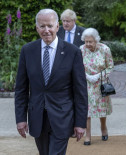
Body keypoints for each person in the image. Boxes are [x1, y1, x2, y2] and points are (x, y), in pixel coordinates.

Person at [14, 8, 88, 155]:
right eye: (42, 26)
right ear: (37, 28)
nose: (46, 30)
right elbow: (21, 89)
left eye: (49, 25)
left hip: (62, 117)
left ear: (57, 27)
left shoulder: (72, 52)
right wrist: (20, 119)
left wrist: (80, 123)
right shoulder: (28, 51)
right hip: (37, 117)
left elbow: (80, 90)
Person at [80, 28, 114, 145]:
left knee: (101, 109)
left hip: (101, 83)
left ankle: (103, 127)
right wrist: (87, 76)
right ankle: (87, 135)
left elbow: (110, 66)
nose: (88, 44)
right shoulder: (81, 50)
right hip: (87, 83)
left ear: (96, 40)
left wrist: (99, 76)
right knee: (87, 111)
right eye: (86, 41)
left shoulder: (105, 49)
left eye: (90, 42)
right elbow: (77, 66)